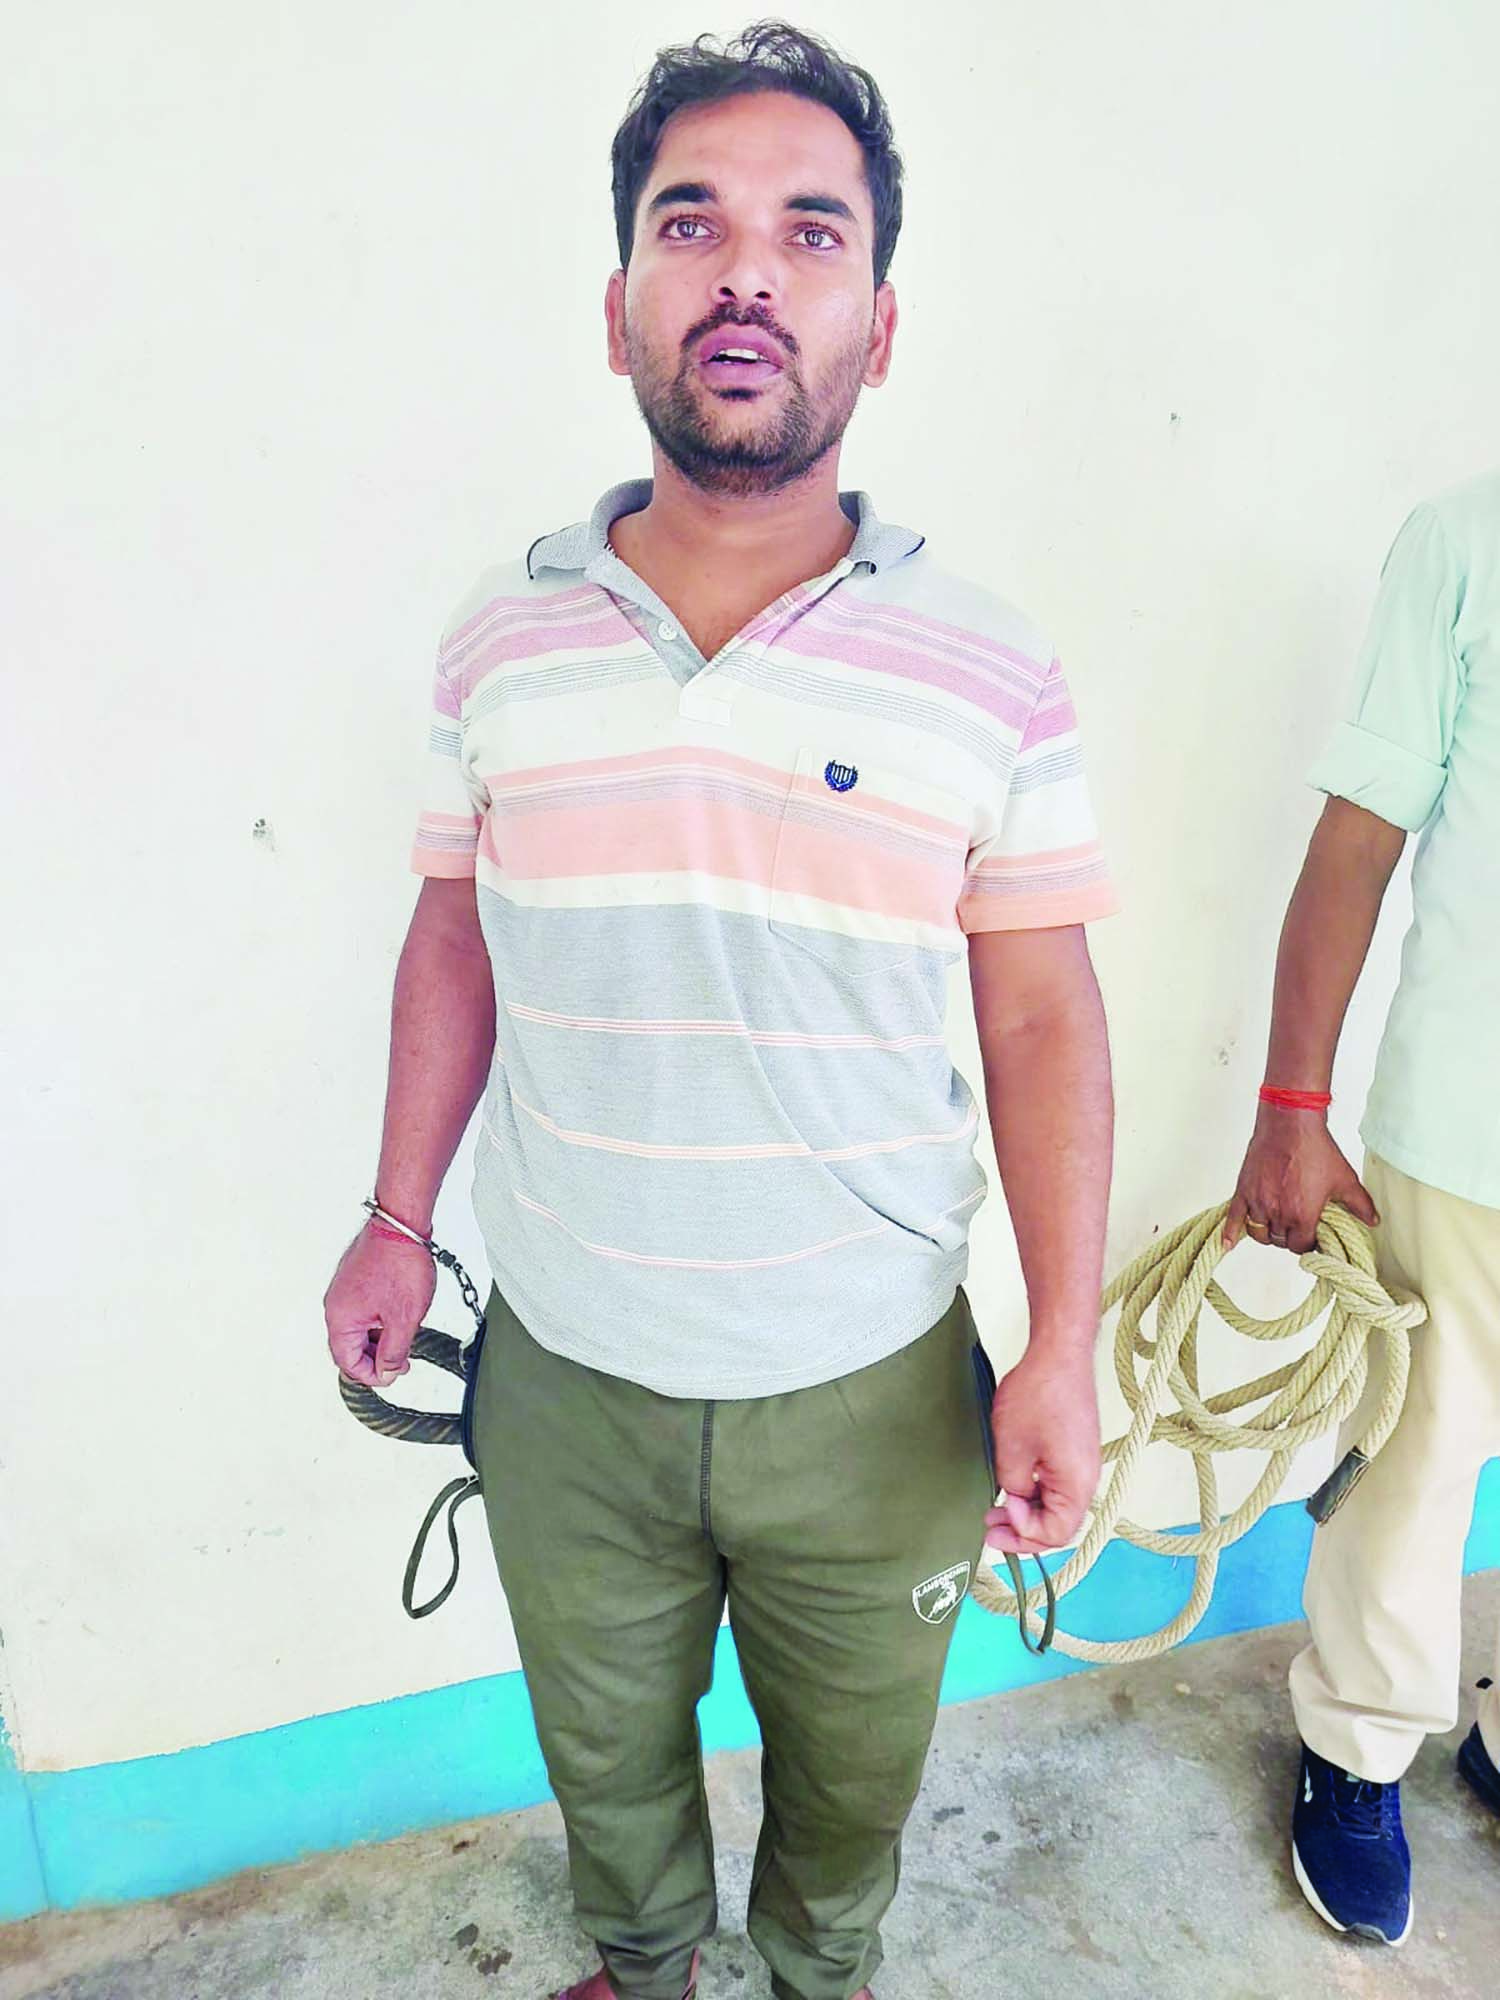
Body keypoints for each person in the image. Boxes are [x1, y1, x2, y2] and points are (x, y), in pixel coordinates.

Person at [325, 23, 1116, 1999]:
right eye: (693, 225)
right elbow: (454, 933)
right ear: (619, 306)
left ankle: (816, 1975)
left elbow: (1042, 1015)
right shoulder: (501, 640)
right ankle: (647, 1959)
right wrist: (399, 1213)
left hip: (869, 1390)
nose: (748, 273)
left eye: (810, 232)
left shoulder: (989, 668)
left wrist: (1063, 1341)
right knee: (603, 1744)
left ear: (880, 322)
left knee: (854, 1781)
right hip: (566, 1368)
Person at [1226, 468, 1500, 1948]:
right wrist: (1292, 1102)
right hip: (1472, 1131)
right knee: (1414, 1458)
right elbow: (1360, 836)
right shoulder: (1466, 541)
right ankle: (1358, 1748)